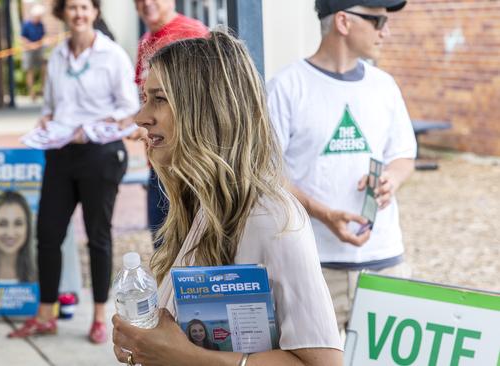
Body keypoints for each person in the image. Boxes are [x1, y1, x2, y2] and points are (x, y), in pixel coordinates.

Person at [112, 31, 343, 366]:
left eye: (158, 99)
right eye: (146, 98)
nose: (141, 117)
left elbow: (324, 363)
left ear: (204, 109)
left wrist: (184, 356)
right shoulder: (202, 203)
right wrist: (146, 343)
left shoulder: (269, 217)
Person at [266, 0, 416, 334]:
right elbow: (266, 173)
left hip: (384, 262)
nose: (386, 32)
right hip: (312, 266)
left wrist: (391, 177)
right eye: (377, 21)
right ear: (344, 22)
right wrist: (323, 213)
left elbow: (404, 155)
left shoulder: (385, 86)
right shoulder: (286, 87)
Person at [8, 0, 140, 343]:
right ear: (63, 14)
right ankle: (45, 314)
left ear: (95, 12)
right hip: (61, 154)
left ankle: (99, 317)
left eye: (85, 7)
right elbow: (51, 106)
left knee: (98, 235)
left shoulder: (112, 55)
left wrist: (92, 128)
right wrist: (46, 121)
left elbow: (129, 109)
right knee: (47, 234)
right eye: (73, 8)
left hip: (101, 154)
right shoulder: (57, 57)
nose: (79, 14)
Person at [133, 0, 208, 243]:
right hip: (157, 167)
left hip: (189, 167)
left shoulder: (193, 34)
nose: (146, 3)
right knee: (163, 249)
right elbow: (143, 100)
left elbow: (206, 102)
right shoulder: (145, 41)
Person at [21, 4, 46, 101]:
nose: (39, 19)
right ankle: (31, 92)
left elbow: (43, 36)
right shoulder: (27, 25)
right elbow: (22, 38)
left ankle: (42, 88)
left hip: (39, 49)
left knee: (44, 67)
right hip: (28, 50)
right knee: (29, 70)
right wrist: (30, 45)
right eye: (38, 17)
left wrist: (40, 43)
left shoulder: (41, 25)